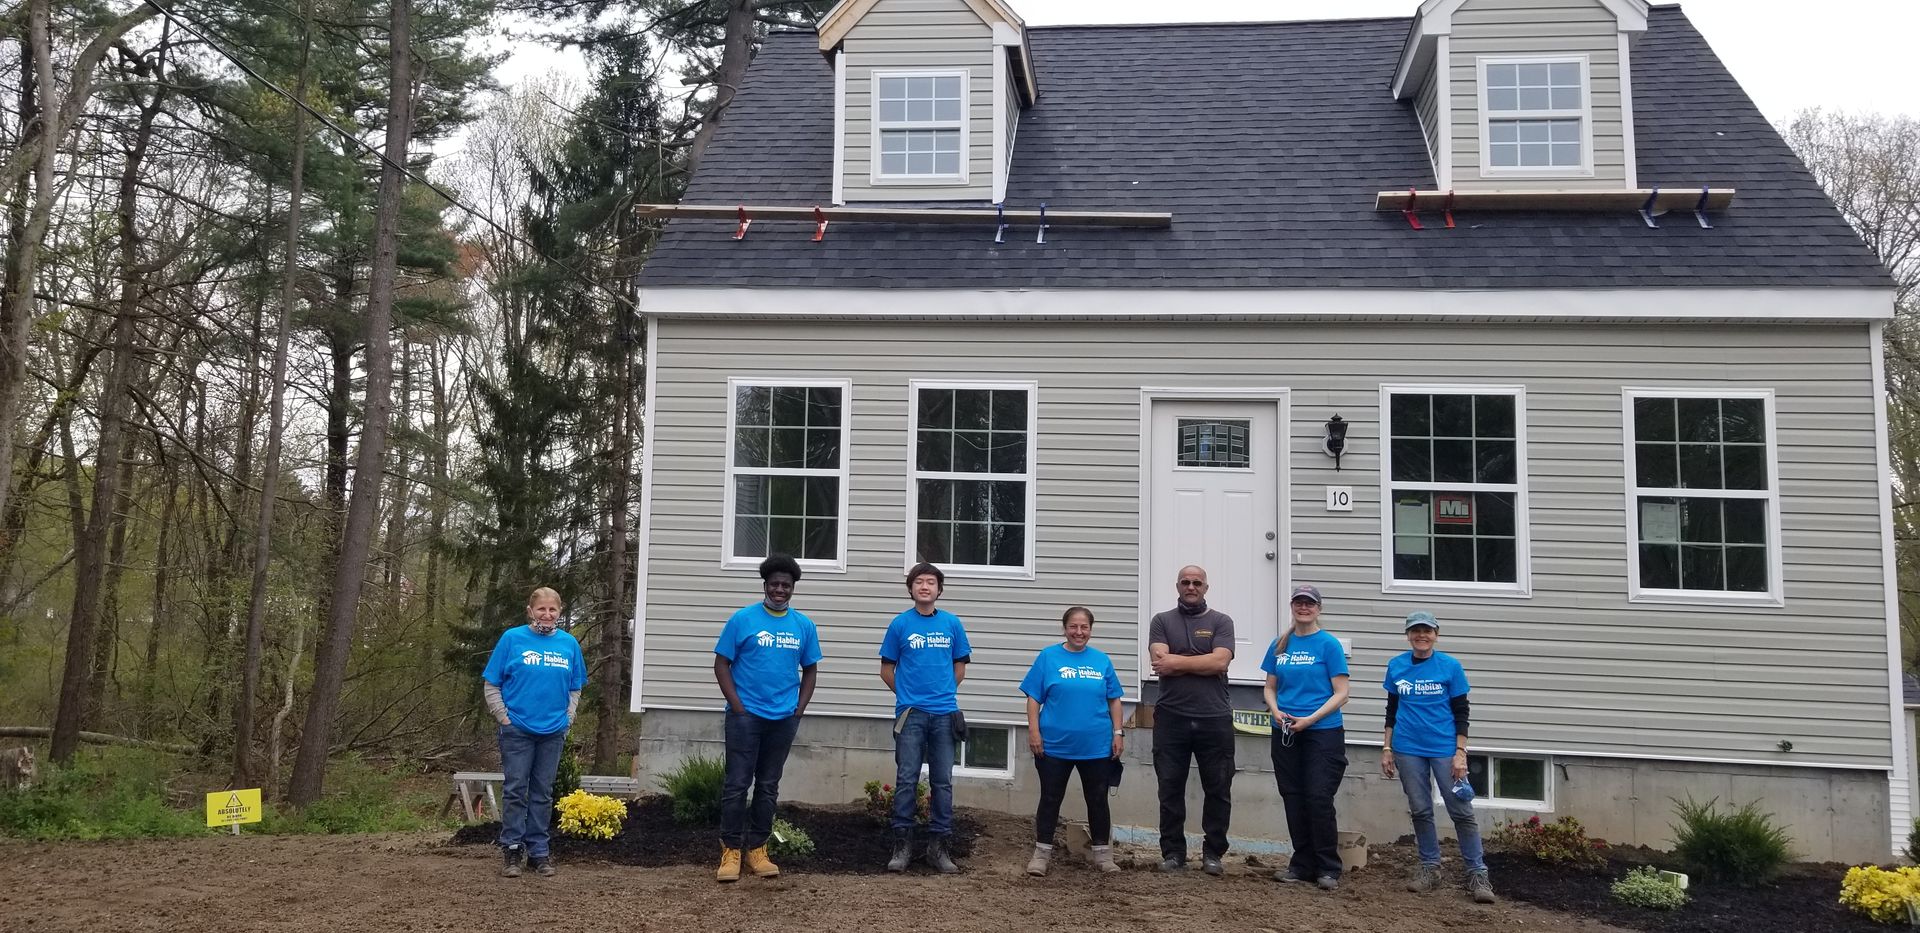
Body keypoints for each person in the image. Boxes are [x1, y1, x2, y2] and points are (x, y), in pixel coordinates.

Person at [712, 553, 822, 884]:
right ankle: (730, 851)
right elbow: (721, 664)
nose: (779, 590)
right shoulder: (742, 620)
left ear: (792, 589)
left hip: (783, 718)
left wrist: (799, 708)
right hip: (746, 718)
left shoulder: (803, 625)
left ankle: (757, 850)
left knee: (768, 786)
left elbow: (811, 669)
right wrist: (738, 705)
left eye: (785, 585)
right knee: (736, 785)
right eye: (774, 584)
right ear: (765, 585)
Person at [1382, 610, 1496, 904]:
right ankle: (1430, 867)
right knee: (1420, 810)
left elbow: (1462, 712)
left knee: (1461, 810)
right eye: (1416, 631)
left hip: (1445, 748)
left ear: (1436, 634)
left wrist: (1460, 752)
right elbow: (1391, 711)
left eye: (1427, 630)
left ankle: (1477, 873)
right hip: (1408, 748)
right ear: (1408, 635)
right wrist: (1387, 748)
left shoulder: (1450, 666)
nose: (1422, 635)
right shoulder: (1396, 666)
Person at [482, 586, 586, 878]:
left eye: (552, 610)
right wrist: (504, 718)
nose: (547, 614)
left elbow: (575, 686)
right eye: (541, 609)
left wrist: (568, 717)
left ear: (560, 613)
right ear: (530, 610)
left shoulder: (569, 644)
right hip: (517, 730)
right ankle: (512, 850)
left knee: (543, 793)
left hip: (552, 731)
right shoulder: (512, 639)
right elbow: (492, 683)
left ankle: (539, 851)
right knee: (516, 790)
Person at [1019, 606, 1126, 876]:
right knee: (1050, 798)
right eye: (1073, 627)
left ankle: (1103, 856)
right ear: (1064, 628)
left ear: (1091, 630)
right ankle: (1041, 855)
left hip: (1096, 746)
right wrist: (1034, 731)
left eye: (1084, 627)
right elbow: (1033, 698)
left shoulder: (1101, 660)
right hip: (1054, 745)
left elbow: (1114, 699)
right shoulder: (1048, 657)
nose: (1079, 632)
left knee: (1098, 799)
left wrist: (1117, 733)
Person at [879, 562, 972, 873]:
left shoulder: (952, 624)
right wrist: (907, 696)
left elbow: (960, 667)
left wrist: (942, 693)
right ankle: (902, 846)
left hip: (945, 714)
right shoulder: (899, 625)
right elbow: (886, 670)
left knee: (942, 782)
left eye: (931, 582)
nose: (925, 587)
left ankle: (939, 848)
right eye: (919, 582)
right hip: (910, 715)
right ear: (911, 588)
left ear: (939, 589)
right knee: (906, 780)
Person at [1147, 564, 1236, 875]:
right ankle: (1173, 853)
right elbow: (1161, 661)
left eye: (1197, 582)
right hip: (1171, 719)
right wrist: (1202, 660)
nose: (1191, 586)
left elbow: (1220, 661)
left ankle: (1213, 853)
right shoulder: (1161, 621)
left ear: (1206, 588)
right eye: (1185, 582)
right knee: (1170, 788)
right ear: (1177, 586)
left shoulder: (1221, 621)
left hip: (1215, 718)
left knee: (1219, 789)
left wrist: (1179, 661)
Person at [1262, 584, 1350, 890]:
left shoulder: (1328, 645)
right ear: (1292, 606)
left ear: (1318, 608)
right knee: (1293, 797)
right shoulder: (1279, 645)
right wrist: (1275, 711)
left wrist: (1310, 719)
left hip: (1322, 733)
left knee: (1318, 796)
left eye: (1309, 603)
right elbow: (1270, 687)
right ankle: (1301, 864)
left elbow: (1342, 693)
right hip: (1285, 732)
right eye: (1299, 602)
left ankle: (1328, 867)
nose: (1304, 607)